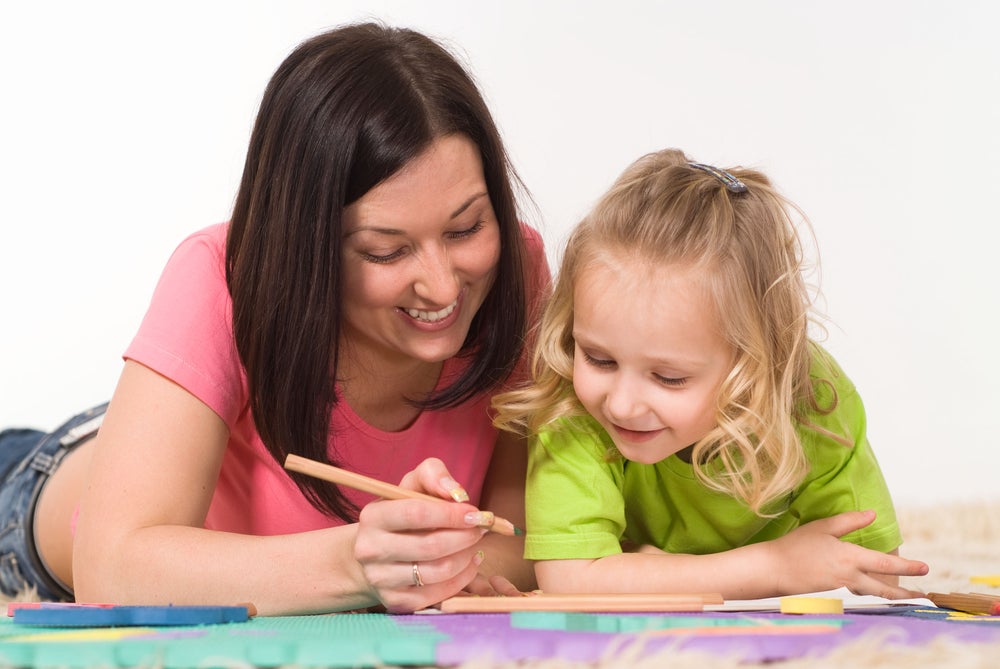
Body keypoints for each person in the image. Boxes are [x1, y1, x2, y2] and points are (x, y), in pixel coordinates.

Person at [0, 22, 550, 615]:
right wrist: (358, 563)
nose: (442, 285)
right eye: (385, 251)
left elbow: (524, 542)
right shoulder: (220, 275)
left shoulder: (516, 271)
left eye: (466, 228)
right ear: (305, 243)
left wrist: (429, 556)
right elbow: (109, 571)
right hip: (42, 494)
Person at [492, 149, 928, 600]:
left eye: (668, 377)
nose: (620, 404)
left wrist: (639, 565)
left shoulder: (811, 396)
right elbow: (570, 578)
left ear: (757, 364)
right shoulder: (573, 402)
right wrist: (775, 566)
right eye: (599, 359)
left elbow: (876, 576)